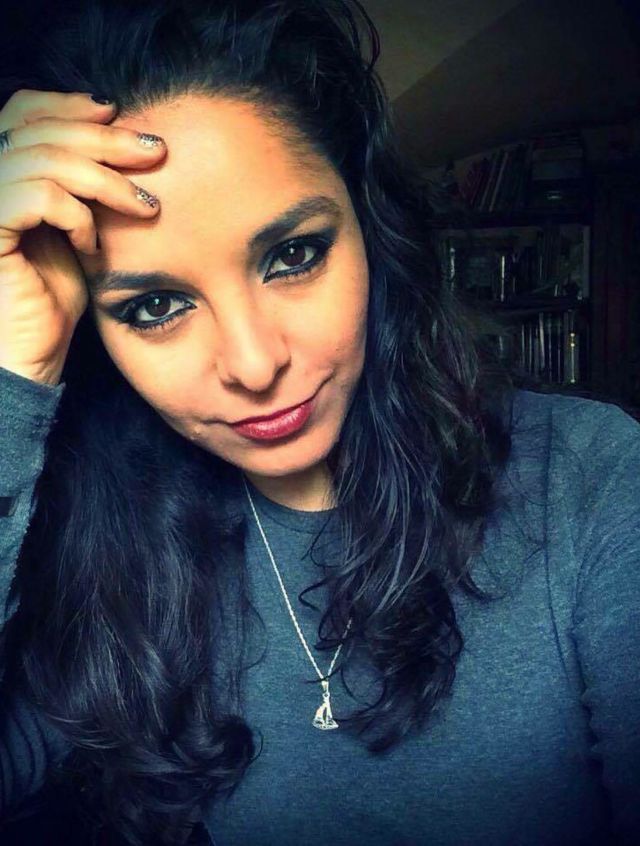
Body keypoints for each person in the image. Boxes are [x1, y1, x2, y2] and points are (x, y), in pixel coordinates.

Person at [0, 1, 638, 844]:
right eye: (155, 306)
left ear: (372, 229)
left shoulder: (593, 479)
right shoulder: (101, 546)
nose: (254, 363)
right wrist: (11, 376)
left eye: (293, 254)